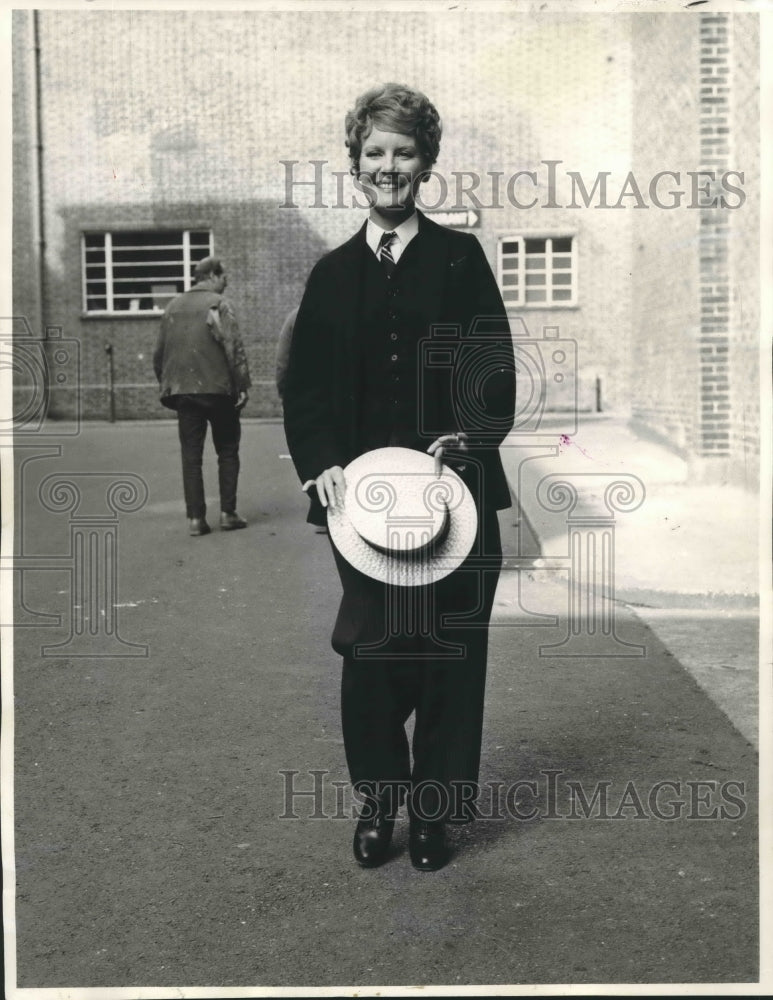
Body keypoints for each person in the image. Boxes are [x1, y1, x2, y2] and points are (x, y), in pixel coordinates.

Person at [283, 83, 515, 871]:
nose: (389, 167)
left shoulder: (459, 258)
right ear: (355, 164)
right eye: (374, 152)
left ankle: (437, 816)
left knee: (449, 654)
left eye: (403, 153)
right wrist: (320, 465)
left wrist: (471, 437)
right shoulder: (330, 273)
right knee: (375, 654)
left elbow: (491, 370)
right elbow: (303, 388)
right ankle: (380, 806)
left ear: (426, 163)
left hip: (459, 502)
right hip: (361, 509)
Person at [153, 256, 251, 536]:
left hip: (184, 391)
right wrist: (242, 385)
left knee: (191, 455)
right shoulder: (219, 304)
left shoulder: (172, 306)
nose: (227, 282)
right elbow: (234, 348)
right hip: (219, 390)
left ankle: (196, 519)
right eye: (224, 277)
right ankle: (228, 513)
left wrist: (170, 384)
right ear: (213, 276)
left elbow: (159, 354)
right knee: (228, 450)